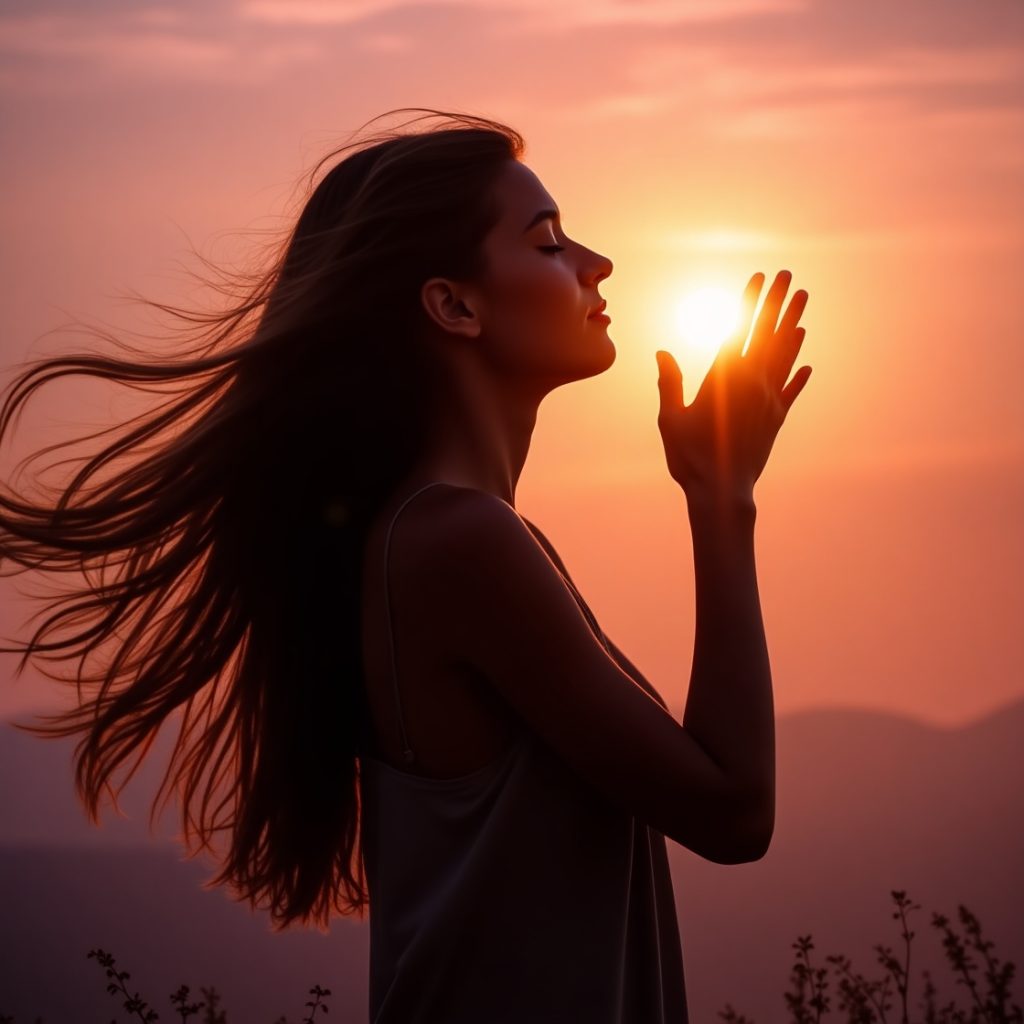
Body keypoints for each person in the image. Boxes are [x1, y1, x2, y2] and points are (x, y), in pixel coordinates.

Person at [0, 107, 811, 1022]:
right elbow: (733, 812)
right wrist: (721, 501)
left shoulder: (444, 538)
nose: (597, 263)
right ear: (453, 306)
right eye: (548, 243)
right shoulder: (460, 544)